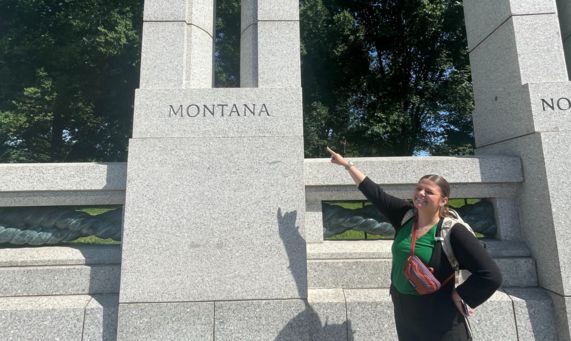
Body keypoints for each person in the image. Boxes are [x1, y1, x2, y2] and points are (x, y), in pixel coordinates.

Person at [327, 147, 502, 341]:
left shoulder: (453, 230)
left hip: (440, 316)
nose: (421, 193)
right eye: (418, 188)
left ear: (443, 200)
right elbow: (375, 193)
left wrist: (461, 295)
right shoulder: (406, 216)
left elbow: (491, 275)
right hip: (405, 311)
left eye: (429, 192)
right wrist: (346, 164)